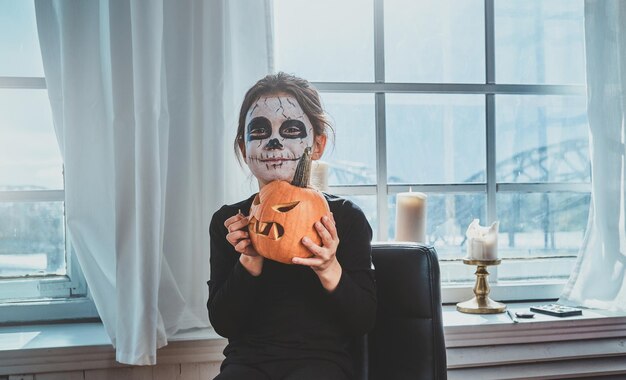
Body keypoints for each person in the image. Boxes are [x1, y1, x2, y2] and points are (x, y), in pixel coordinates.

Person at [207, 72, 376, 380]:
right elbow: (224, 323)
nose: (275, 142)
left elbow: (363, 320)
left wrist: (328, 268)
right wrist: (248, 261)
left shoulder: (345, 218)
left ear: (318, 144)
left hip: (321, 365)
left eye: (291, 129)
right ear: (244, 148)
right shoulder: (229, 223)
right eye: (259, 130)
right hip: (247, 367)